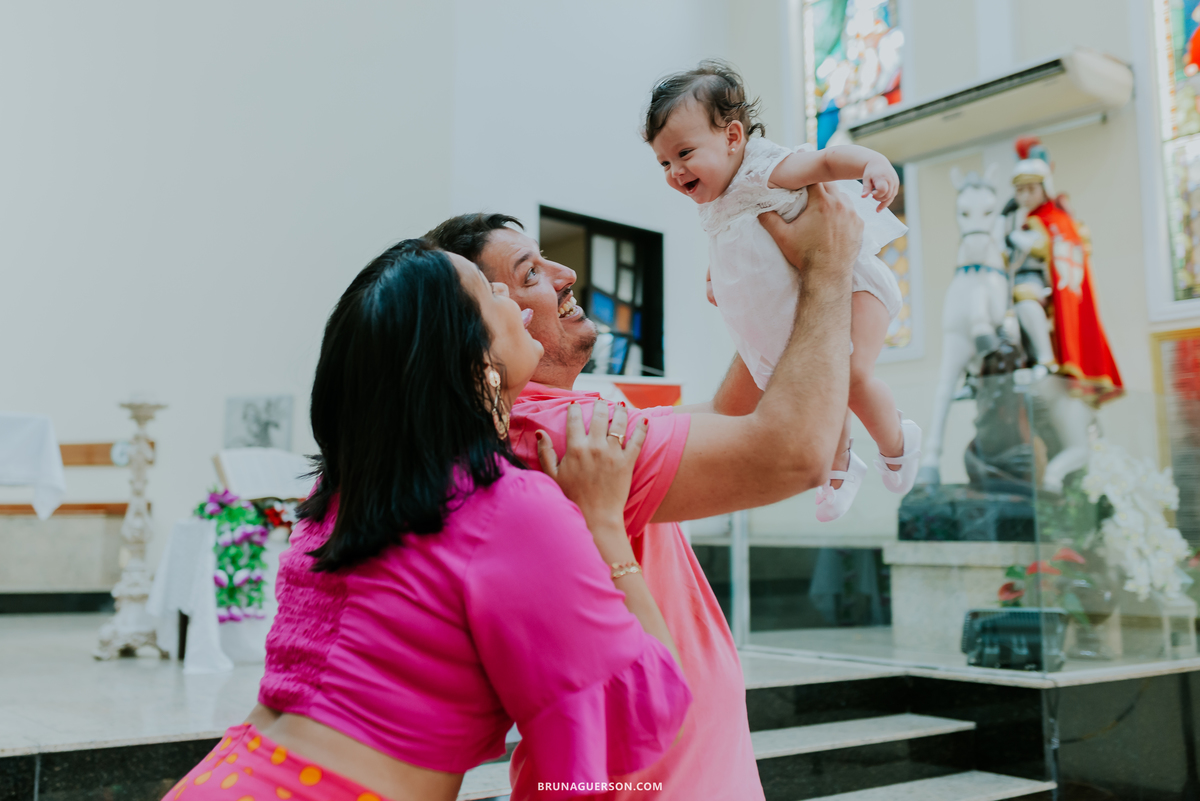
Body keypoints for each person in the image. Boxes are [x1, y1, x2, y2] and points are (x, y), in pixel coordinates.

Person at [163, 240, 692, 801]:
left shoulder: (342, 491)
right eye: (491, 293)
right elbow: (642, 704)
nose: (513, 300)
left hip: (229, 777)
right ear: (476, 359)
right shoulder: (507, 505)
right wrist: (606, 525)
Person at [425, 182, 863, 800]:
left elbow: (724, 418)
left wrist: (765, 302)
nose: (565, 273)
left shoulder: (571, 414)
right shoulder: (554, 432)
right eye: (527, 277)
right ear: (484, 333)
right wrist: (830, 266)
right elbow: (791, 454)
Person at [644, 60, 921, 522]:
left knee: (849, 375)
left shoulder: (763, 169)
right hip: (805, 307)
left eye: (685, 153)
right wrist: (718, 277)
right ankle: (839, 465)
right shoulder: (715, 199)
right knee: (821, 384)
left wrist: (872, 162)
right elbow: (736, 242)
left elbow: (828, 161)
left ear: (733, 137)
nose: (675, 171)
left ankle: (898, 441)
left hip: (853, 286)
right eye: (665, 163)